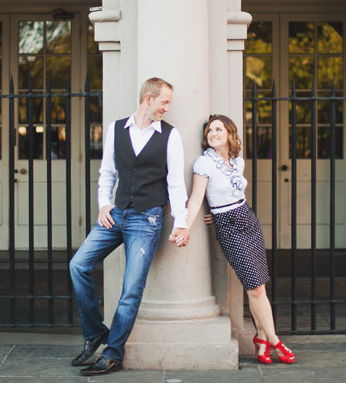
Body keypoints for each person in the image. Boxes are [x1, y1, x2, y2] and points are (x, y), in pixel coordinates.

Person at [68, 77, 188, 376]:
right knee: (78, 265)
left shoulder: (170, 136)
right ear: (148, 98)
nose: (167, 107)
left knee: (131, 289)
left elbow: (175, 184)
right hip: (116, 213)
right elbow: (107, 172)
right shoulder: (116, 129)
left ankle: (112, 354)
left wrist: (181, 223)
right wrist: (103, 204)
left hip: (147, 220)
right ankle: (95, 331)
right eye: (164, 101)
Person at [170, 114, 295, 365]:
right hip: (229, 227)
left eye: (218, 129)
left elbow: (234, 195)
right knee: (255, 287)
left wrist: (218, 213)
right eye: (209, 131)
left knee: (259, 283)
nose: (213, 133)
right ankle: (274, 340)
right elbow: (196, 199)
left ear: (229, 133)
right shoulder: (204, 164)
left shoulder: (238, 162)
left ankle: (260, 339)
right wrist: (184, 225)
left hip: (248, 219)